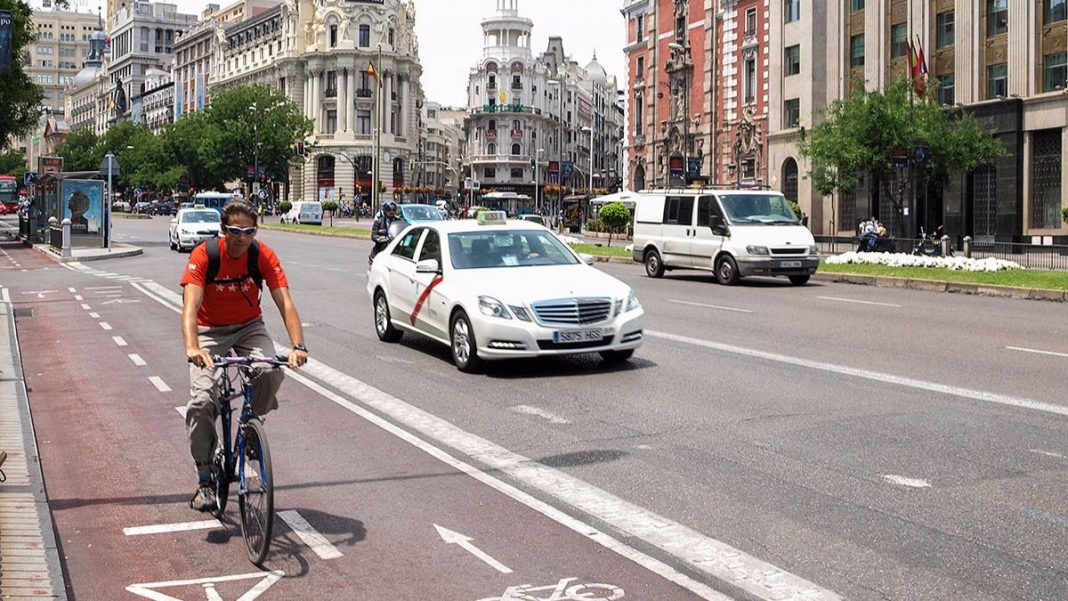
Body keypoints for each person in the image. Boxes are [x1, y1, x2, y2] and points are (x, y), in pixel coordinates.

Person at [180, 201, 308, 512]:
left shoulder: (261, 255)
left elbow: (285, 301)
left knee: (270, 370)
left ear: (255, 231)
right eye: (235, 231)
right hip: (209, 330)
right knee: (201, 402)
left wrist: (298, 346)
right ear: (223, 231)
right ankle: (205, 478)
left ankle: (252, 424)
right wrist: (193, 347)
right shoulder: (205, 255)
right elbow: (190, 307)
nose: (242, 237)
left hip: (249, 326)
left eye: (248, 231)